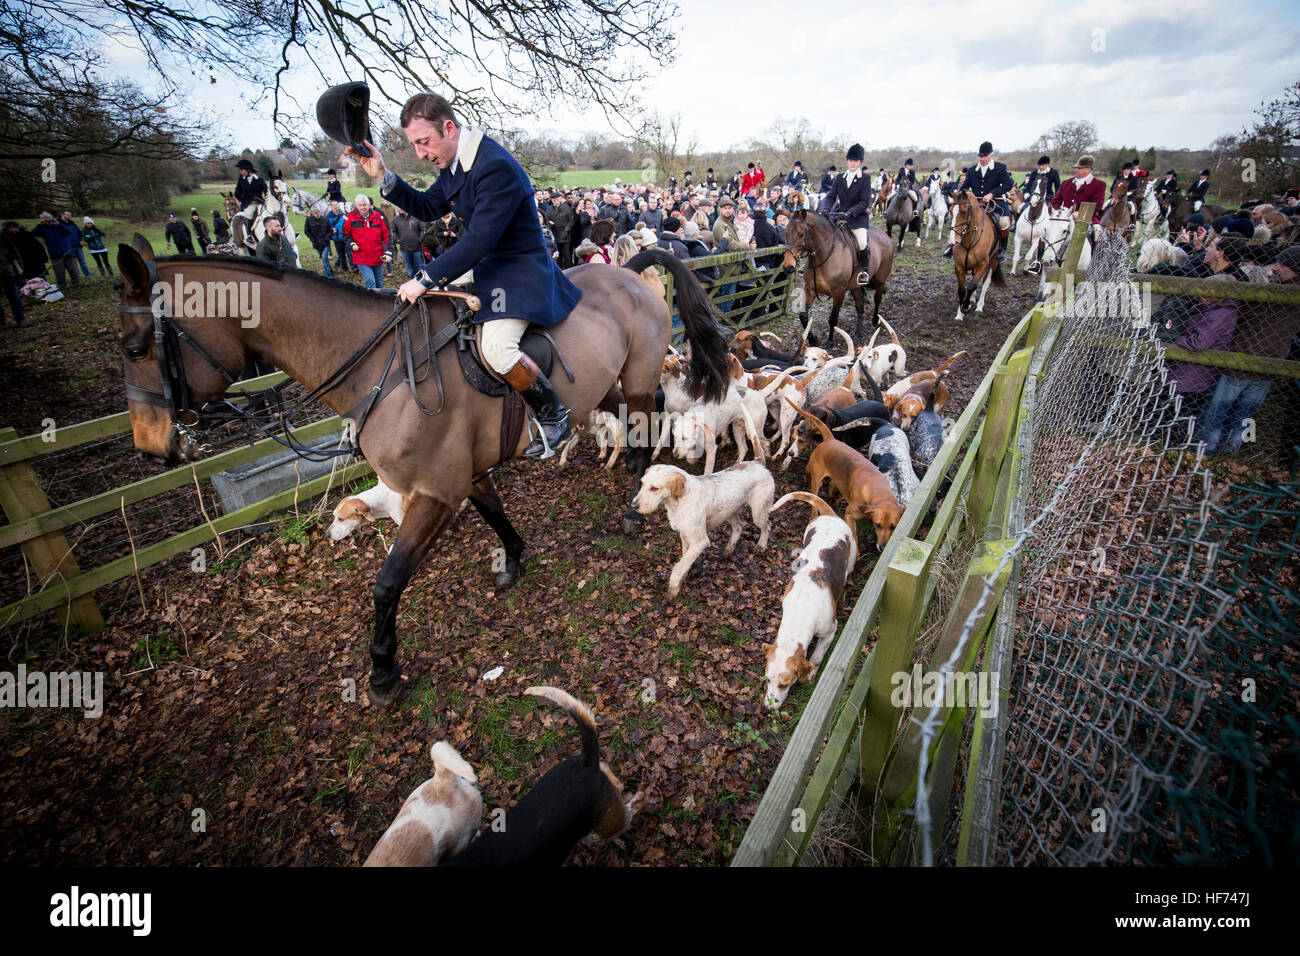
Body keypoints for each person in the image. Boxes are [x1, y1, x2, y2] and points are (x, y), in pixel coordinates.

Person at [353, 90, 583, 457]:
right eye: (414, 145)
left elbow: (478, 240)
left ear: (448, 127)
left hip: (519, 271)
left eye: (424, 142)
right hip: (489, 264)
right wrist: (384, 175)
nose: (421, 153)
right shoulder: (456, 164)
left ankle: (555, 417)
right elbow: (428, 207)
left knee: (497, 348)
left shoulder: (494, 166)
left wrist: (425, 277)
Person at [1193, 243, 1300, 455]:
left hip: (1241, 362)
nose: (1276, 268)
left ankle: (1206, 451)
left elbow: (1242, 313)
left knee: (1217, 410)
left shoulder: (1267, 296)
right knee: (1245, 415)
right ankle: (1231, 452)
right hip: (1270, 365)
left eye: (1283, 264)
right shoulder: (1284, 295)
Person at [1165, 237, 1247, 418]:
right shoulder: (1205, 278)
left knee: (1178, 413)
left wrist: (1174, 339)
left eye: (1211, 246)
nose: (1206, 249)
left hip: (1193, 373)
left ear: (1221, 253)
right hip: (1185, 369)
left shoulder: (1222, 311)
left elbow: (1200, 341)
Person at [946, 141, 1014, 261]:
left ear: (991, 155)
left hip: (995, 202)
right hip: (976, 203)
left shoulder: (1000, 168)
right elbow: (965, 186)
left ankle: (1002, 249)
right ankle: (952, 245)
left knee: (1003, 221)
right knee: (959, 217)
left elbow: (1008, 184)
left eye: (985, 156)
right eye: (980, 156)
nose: (982, 159)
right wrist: (960, 194)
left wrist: (992, 193)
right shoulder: (972, 170)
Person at [820, 144, 874, 284]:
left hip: (857, 218)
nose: (852, 163)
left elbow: (864, 201)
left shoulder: (865, 178)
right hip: (839, 215)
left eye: (855, 161)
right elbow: (831, 196)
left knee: (862, 242)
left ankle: (864, 271)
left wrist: (851, 212)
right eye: (850, 160)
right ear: (847, 161)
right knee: (823, 235)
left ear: (860, 162)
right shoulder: (839, 177)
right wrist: (826, 208)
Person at [343, 194, 391, 289]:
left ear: (369, 205)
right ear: (356, 206)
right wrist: (352, 244)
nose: (362, 207)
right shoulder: (350, 218)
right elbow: (345, 235)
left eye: (364, 205)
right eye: (360, 205)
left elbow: (387, 235)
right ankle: (370, 302)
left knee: (379, 283)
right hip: (361, 257)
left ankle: (380, 302)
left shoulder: (378, 217)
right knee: (370, 281)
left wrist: (389, 252)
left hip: (378, 256)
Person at [1049, 155, 1107, 224]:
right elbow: (1055, 201)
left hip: (1087, 220)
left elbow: (1097, 205)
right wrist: (1059, 212)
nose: (1076, 170)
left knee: (1097, 231)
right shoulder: (1066, 183)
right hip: (1064, 219)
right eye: (1076, 168)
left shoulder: (1099, 184)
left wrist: (1081, 213)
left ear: (1088, 169)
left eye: (1079, 168)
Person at [33, 212, 81, 288]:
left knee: (73, 270)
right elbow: (33, 234)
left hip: (67, 251)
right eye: (44, 218)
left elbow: (69, 231)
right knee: (59, 273)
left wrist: (59, 224)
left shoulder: (58, 226)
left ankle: (77, 285)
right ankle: (62, 287)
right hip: (55, 254)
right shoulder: (42, 228)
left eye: (48, 218)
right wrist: (39, 224)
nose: (47, 220)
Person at [0, 223, 27, 326]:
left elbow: (12, 249)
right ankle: (1, 322)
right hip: (5, 269)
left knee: (13, 295)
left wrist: (12, 262)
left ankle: (20, 318)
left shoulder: (1, 235)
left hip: (5, 270)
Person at [391, 207, 428, 279]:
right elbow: (393, 232)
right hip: (404, 249)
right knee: (410, 269)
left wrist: (419, 240)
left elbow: (423, 229)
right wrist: (399, 241)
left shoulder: (416, 217)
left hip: (417, 248)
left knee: (420, 267)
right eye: (398, 207)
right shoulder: (396, 220)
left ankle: (423, 283)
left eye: (401, 207)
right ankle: (413, 282)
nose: (400, 208)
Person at [59, 211, 93, 279]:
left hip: (77, 245)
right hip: (68, 247)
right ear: (62, 214)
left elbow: (79, 232)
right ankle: (78, 277)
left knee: (83, 261)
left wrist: (80, 240)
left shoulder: (72, 223)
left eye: (70, 215)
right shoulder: (58, 224)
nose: (69, 216)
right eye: (68, 215)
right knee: (73, 264)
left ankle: (88, 275)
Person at [304, 206, 336, 276]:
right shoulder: (309, 220)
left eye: (317, 213)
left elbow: (330, 231)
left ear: (320, 213)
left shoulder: (325, 220)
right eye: (314, 213)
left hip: (325, 243)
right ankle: (331, 273)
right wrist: (312, 239)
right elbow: (306, 231)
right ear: (312, 213)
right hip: (316, 244)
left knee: (324, 258)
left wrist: (326, 238)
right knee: (324, 259)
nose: (316, 215)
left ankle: (328, 276)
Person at [327, 200, 353, 272]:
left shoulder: (343, 214)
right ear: (331, 206)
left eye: (337, 205)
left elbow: (348, 222)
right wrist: (332, 229)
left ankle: (353, 267)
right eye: (334, 205)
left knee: (349, 252)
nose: (336, 206)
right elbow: (327, 226)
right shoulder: (329, 216)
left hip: (345, 237)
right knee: (341, 254)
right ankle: (345, 269)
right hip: (337, 238)